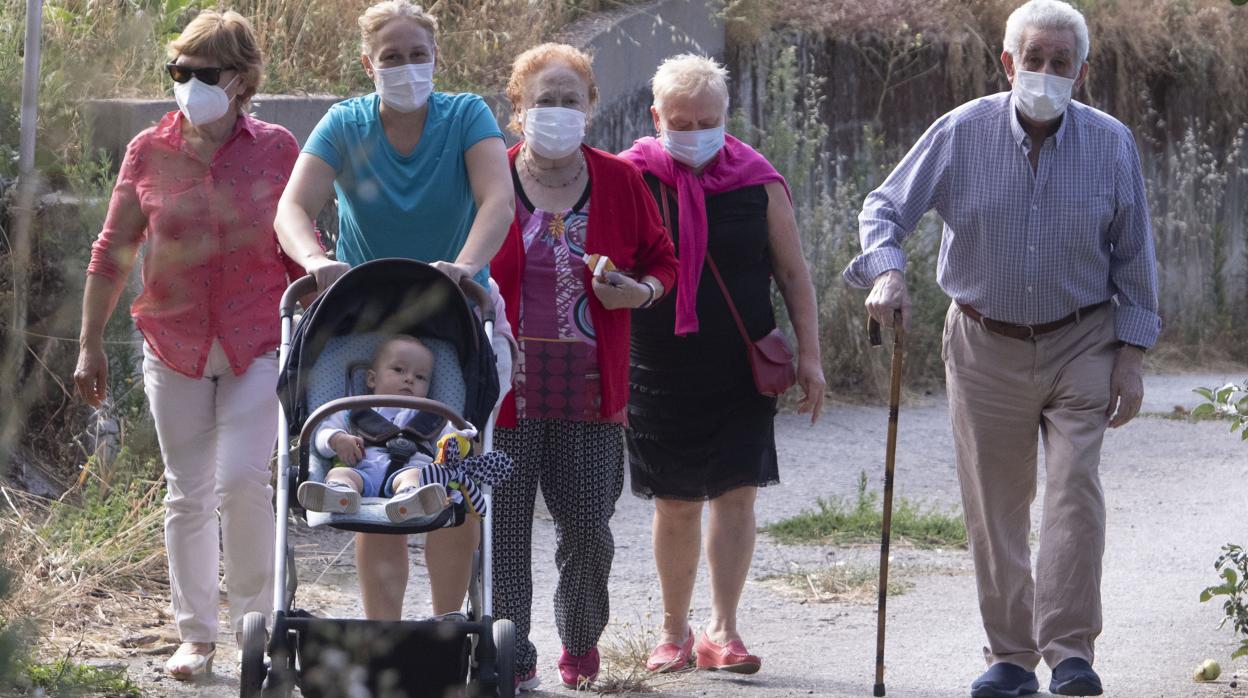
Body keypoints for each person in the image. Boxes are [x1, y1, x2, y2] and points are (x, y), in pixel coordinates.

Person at [842, 1, 1160, 695]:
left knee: (1074, 491)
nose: (1045, 73)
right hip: (985, 340)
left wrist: (1131, 358)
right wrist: (888, 271)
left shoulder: (1111, 144)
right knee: (996, 503)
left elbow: (1135, 256)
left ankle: (1071, 650)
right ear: (1008, 63)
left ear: (1082, 70)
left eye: (1060, 62)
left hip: (1083, 336)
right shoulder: (961, 132)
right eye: (1033, 60)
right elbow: (884, 206)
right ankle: (1011, 657)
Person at [72, 10, 302, 679]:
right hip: (171, 342)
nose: (187, 83)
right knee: (188, 491)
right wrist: (90, 343)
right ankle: (195, 636)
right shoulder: (149, 150)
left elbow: (297, 243)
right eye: (178, 71)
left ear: (240, 80)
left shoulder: (279, 148)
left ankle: (258, 626)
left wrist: (316, 317)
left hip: (258, 338)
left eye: (203, 73)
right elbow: (112, 253)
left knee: (242, 482)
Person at [274, 0, 514, 623]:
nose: (406, 67)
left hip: (456, 313)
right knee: (374, 494)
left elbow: (497, 200)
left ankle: (443, 630)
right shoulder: (346, 123)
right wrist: (314, 260)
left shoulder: (465, 116)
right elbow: (292, 208)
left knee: (450, 481)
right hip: (365, 317)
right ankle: (385, 635)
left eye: (417, 56)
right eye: (391, 58)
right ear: (368, 64)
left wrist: (464, 265)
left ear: (436, 58)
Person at [619, 54, 825, 676]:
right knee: (676, 501)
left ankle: (723, 632)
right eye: (679, 122)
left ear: (726, 117)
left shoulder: (756, 180)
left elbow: (793, 273)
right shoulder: (629, 179)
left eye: (707, 120)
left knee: (737, 496)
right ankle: (673, 631)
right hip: (656, 367)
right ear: (655, 117)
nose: (694, 132)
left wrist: (811, 357)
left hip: (741, 364)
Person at [489, 43, 678, 691]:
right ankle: (512, 659)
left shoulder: (621, 181)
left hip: (593, 395)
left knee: (589, 532)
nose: (559, 111)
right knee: (504, 536)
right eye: (545, 100)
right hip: (504, 392)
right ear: (517, 110)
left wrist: (642, 291)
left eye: (571, 100)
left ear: (592, 107)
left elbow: (663, 259)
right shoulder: (491, 176)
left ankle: (580, 644)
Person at [299, 335, 466, 523]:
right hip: (362, 470)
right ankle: (340, 495)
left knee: (416, 476)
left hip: (410, 469)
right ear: (371, 379)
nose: (409, 379)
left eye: (420, 377)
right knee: (339, 474)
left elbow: (448, 445)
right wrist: (337, 440)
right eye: (399, 370)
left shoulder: (434, 416)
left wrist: (458, 439)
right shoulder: (354, 410)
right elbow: (320, 436)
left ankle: (410, 499)